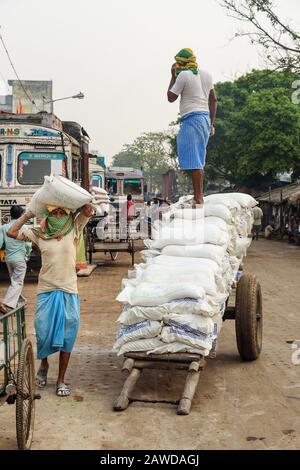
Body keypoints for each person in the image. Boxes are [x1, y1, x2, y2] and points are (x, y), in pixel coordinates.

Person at [7, 203, 94, 397]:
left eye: (61, 212)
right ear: (48, 214)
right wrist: (27, 215)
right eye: (53, 212)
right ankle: (44, 363)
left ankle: (61, 380)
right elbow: (12, 232)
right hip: (46, 290)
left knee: (68, 336)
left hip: (69, 290)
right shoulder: (39, 233)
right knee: (43, 332)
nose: (57, 215)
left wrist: (80, 203)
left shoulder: (74, 227)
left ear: (67, 214)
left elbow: (88, 210)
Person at [167, 48, 217, 207]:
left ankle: (198, 198)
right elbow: (213, 100)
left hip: (191, 119)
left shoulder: (183, 75)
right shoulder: (207, 74)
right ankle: (198, 196)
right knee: (197, 160)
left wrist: (172, 75)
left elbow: (170, 97)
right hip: (203, 119)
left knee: (194, 161)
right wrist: (211, 123)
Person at [0, 206, 32, 314]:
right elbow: (28, 245)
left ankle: (21, 301)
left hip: (8, 259)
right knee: (18, 282)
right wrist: (27, 255)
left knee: (15, 281)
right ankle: (6, 304)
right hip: (19, 259)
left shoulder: (4, 227)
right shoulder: (25, 228)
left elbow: (0, 244)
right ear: (21, 215)